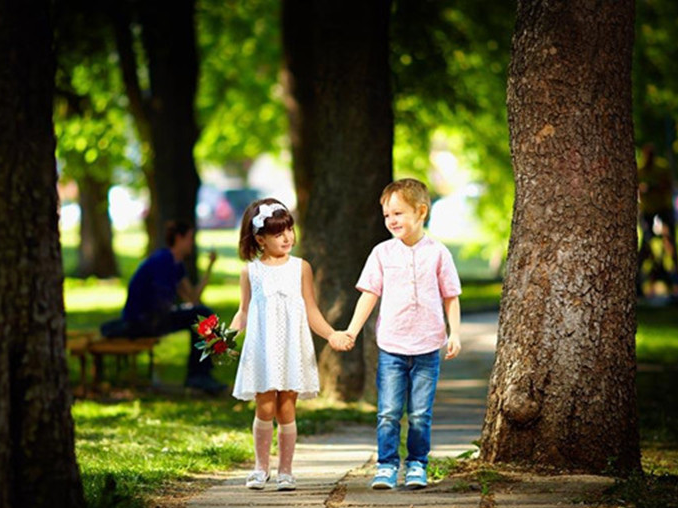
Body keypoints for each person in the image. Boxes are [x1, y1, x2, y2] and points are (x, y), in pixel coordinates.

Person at [345, 178, 462, 490]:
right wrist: (352, 331)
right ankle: (385, 466)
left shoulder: (438, 253)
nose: (391, 220)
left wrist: (455, 334)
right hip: (392, 348)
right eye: (387, 216)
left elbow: (451, 296)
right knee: (388, 412)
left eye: (398, 213)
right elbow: (369, 294)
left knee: (421, 414)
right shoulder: (382, 253)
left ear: (420, 211)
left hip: (427, 348)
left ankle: (417, 465)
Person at [229, 199, 353, 491]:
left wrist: (332, 334)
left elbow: (311, 310)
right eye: (277, 233)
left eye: (289, 230)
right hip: (263, 348)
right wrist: (225, 338)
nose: (287, 237)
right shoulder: (251, 271)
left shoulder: (301, 268)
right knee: (265, 406)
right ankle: (261, 468)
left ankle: (286, 470)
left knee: (286, 408)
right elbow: (243, 311)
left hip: (291, 347)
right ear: (260, 238)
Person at [101, 220, 226, 395]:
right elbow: (159, 300)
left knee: (203, 315)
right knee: (202, 315)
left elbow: (193, 298)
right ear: (179, 238)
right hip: (142, 321)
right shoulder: (163, 261)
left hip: (158, 318)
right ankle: (199, 375)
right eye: (190, 238)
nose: (192, 243)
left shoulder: (177, 265)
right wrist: (182, 310)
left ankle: (200, 374)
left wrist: (209, 267)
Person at [637, 143, 678, 297]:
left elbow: (668, 186)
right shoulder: (640, 170)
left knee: (670, 241)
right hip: (648, 211)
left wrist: (654, 187)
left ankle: (676, 277)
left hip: (663, 208)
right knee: (646, 243)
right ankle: (640, 276)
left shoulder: (661, 169)